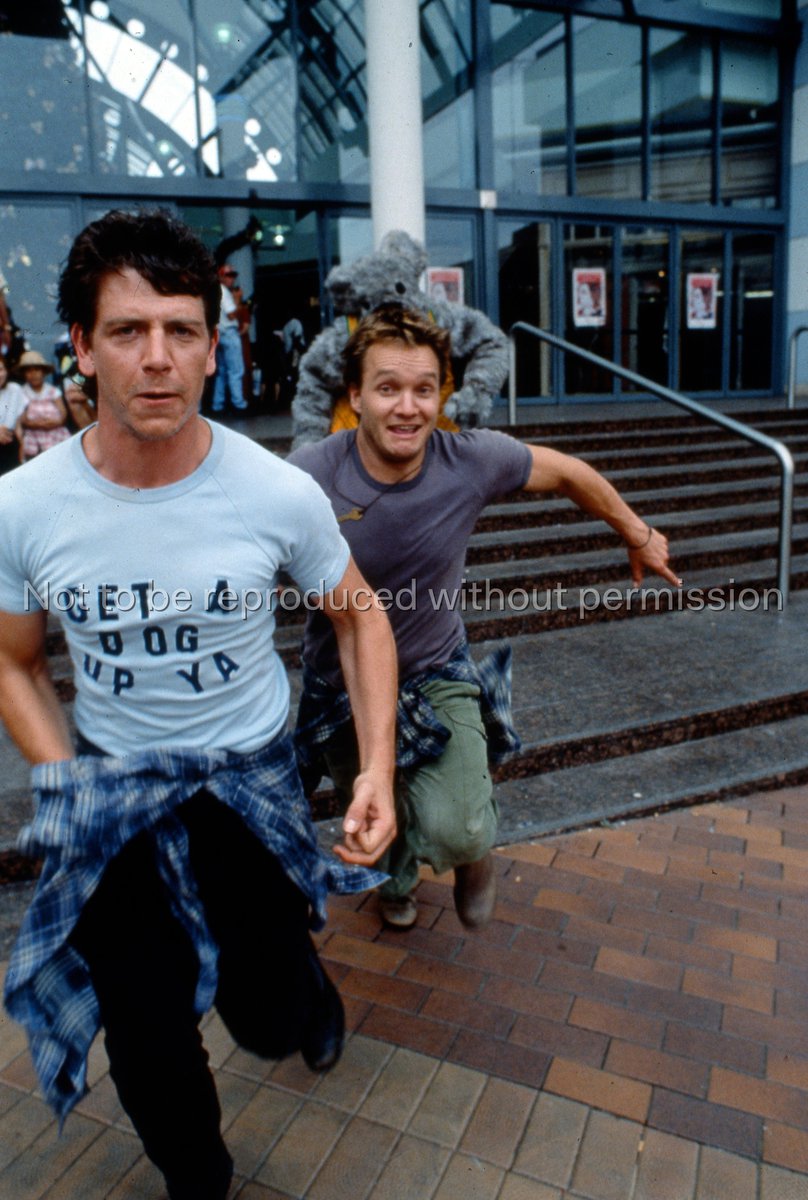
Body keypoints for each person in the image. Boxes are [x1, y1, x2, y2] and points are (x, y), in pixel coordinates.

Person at [0, 209, 397, 1200]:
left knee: (267, 1018)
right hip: (116, 794)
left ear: (212, 347)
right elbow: (14, 662)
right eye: (127, 331)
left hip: (246, 788)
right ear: (82, 344)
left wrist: (379, 770)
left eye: (182, 330)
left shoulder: (275, 492)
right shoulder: (24, 507)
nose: (158, 358)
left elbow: (361, 618)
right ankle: (199, 1177)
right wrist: (67, 779)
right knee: (145, 1027)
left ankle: (305, 995)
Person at [289, 304, 681, 931]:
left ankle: (475, 853)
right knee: (372, 807)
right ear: (355, 396)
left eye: (424, 389)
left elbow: (567, 473)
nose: (408, 408)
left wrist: (636, 532)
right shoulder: (310, 474)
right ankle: (396, 885)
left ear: (442, 394)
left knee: (458, 826)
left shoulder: (469, 459)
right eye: (388, 389)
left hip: (434, 671)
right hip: (341, 684)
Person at [15, 348, 71, 461]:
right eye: (28, 371)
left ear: (44, 372)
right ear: (24, 374)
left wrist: (56, 422)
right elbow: (22, 418)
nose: (33, 374)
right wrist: (36, 424)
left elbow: (63, 413)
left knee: (60, 455)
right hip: (33, 432)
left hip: (55, 430)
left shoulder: (53, 391)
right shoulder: (22, 392)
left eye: (37, 370)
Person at [210, 261, 248, 414]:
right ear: (220, 276)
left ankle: (217, 405)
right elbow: (232, 315)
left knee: (222, 371)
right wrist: (238, 300)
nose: (232, 278)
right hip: (229, 333)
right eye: (228, 275)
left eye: (233, 275)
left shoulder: (214, 291)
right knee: (236, 370)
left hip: (219, 333)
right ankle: (239, 404)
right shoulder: (224, 291)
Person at [0, 355, 26, 472]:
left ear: (6, 371)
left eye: (1, 369)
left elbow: (11, 422)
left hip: (7, 440)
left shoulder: (14, 389)